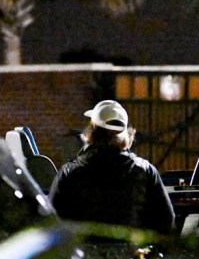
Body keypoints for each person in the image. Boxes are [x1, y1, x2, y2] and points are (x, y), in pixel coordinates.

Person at [48, 100, 175, 235]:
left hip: (83, 248)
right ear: (127, 134)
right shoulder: (146, 171)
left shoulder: (69, 172)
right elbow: (166, 221)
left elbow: (51, 222)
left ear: (91, 132)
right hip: (132, 248)